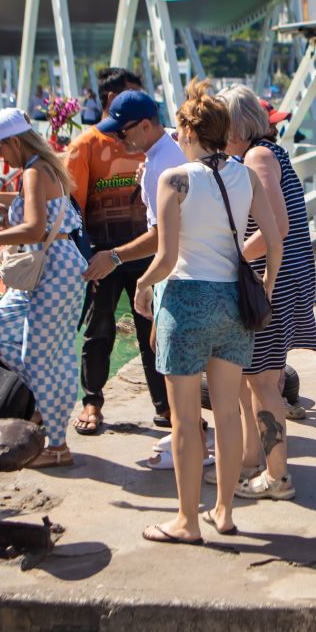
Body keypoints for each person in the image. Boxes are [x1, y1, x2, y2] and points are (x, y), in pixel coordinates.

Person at [132, 80, 283, 543]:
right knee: (228, 413)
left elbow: (165, 257)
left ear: (192, 131)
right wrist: (264, 290)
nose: (177, 137)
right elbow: (274, 240)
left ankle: (186, 521)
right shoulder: (246, 175)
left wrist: (142, 284)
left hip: (186, 300)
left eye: (180, 129)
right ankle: (225, 511)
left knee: (184, 421)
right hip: (234, 301)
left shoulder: (174, 179)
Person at [0, 109, 88, 468]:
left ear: (14, 142)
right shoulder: (44, 167)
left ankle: (58, 445)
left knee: (43, 357)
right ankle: (50, 401)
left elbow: (33, 227)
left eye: (1, 149)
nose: (1, 156)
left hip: (52, 270)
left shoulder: (33, 171)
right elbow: (37, 206)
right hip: (59, 266)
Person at [220, 85, 316, 501]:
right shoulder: (269, 152)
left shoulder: (257, 157)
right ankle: (249, 462)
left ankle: (277, 477)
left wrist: (231, 258)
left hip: (271, 283)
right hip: (284, 278)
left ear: (234, 126)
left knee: (261, 381)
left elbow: (276, 226)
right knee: (253, 378)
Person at [81, 85, 189, 425]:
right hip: (170, 260)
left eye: (123, 131)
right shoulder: (174, 147)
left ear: (144, 125)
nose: (118, 139)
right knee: (135, 334)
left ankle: (179, 423)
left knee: (157, 340)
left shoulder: (159, 165)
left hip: (155, 260)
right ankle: (172, 415)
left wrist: (113, 257)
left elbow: (160, 237)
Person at [65, 68, 162, 432]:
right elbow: (72, 209)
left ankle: (165, 405)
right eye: (130, 96)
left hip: (145, 250)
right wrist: (84, 259)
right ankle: (92, 402)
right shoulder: (85, 146)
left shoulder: (149, 144)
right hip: (100, 254)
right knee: (99, 330)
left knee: (153, 329)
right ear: (111, 101)